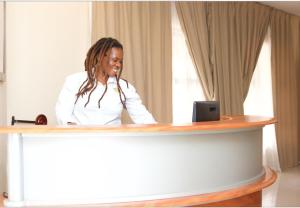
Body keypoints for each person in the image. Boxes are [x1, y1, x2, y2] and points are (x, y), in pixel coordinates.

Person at [56, 37, 156, 125]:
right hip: (82, 142)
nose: (118, 65)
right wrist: (78, 133)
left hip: (113, 143)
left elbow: (142, 117)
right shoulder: (75, 81)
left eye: (120, 61)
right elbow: (63, 114)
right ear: (100, 57)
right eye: (115, 60)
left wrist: (159, 131)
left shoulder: (124, 87)